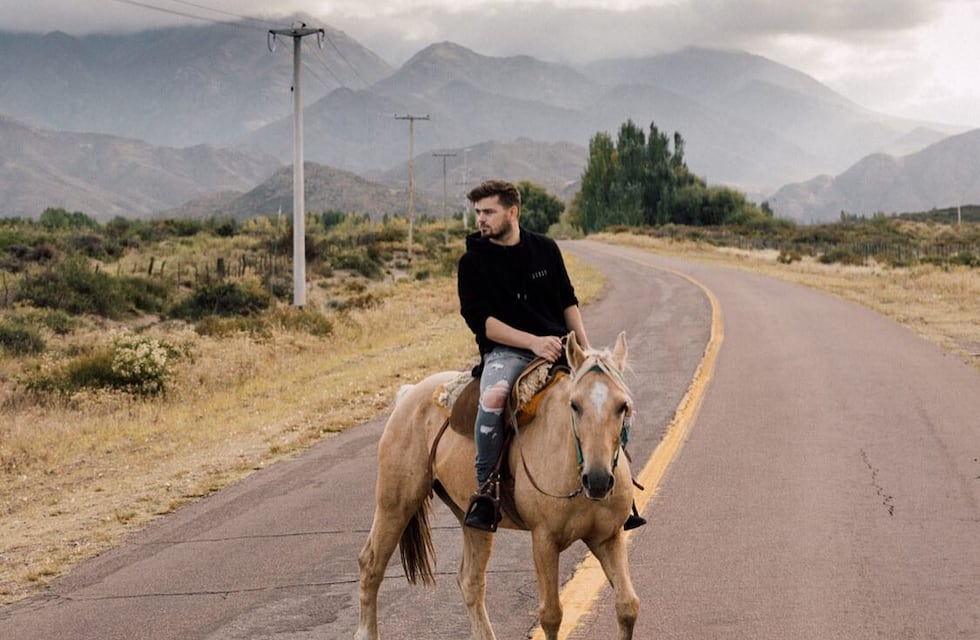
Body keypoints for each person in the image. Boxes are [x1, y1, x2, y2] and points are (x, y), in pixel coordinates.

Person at [456, 179, 645, 532]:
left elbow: (567, 302)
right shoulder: (472, 262)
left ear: (512, 212)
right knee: (494, 399)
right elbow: (483, 323)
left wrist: (586, 352)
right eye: (477, 212)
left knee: (618, 400)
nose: (480, 219)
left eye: (488, 212)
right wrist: (532, 342)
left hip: (562, 348)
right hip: (507, 352)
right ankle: (487, 491)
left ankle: (619, 486)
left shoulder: (545, 249)